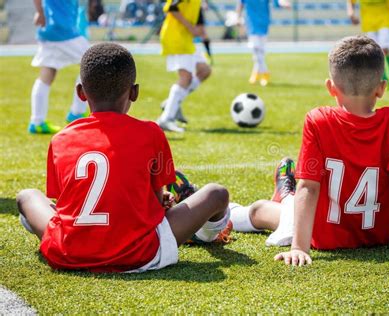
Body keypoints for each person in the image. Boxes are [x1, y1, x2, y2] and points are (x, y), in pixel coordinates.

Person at [17, 43, 231, 273]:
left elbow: (65, 204)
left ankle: (61, 238)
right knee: (216, 194)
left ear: (81, 93)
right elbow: (157, 204)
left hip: (67, 253)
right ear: (134, 92)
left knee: (26, 196)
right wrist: (161, 199)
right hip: (139, 254)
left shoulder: (60, 139)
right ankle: (208, 235)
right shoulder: (151, 132)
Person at [271, 36, 389, 266]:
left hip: (324, 234)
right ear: (382, 88)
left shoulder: (318, 120)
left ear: (331, 88)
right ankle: (284, 195)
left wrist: (299, 247)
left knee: (287, 213)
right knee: (288, 212)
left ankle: (281, 196)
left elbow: (309, 187)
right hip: (379, 233)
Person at [29, 0, 90, 134]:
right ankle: (77, 113)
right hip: (62, 30)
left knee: (47, 73)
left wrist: (40, 12)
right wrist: (40, 12)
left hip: (50, 29)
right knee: (92, 64)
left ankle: (37, 122)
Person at [157, 0, 212, 133]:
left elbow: (198, 25)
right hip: (176, 37)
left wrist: (200, 31)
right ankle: (166, 119)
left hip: (186, 40)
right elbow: (171, 7)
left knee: (205, 71)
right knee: (185, 77)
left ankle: (171, 103)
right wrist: (190, 27)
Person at [347, 0, 389, 90]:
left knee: (384, 48)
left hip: (385, 19)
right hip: (368, 22)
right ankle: (383, 78)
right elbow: (351, 2)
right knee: (375, 51)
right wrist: (351, 14)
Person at [237, 0, 290, 86]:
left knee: (260, 50)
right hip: (251, 22)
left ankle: (256, 73)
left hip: (263, 21)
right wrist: (238, 17)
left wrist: (283, 3)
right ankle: (265, 72)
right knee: (255, 47)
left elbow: (276, 2)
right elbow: (240, 4)